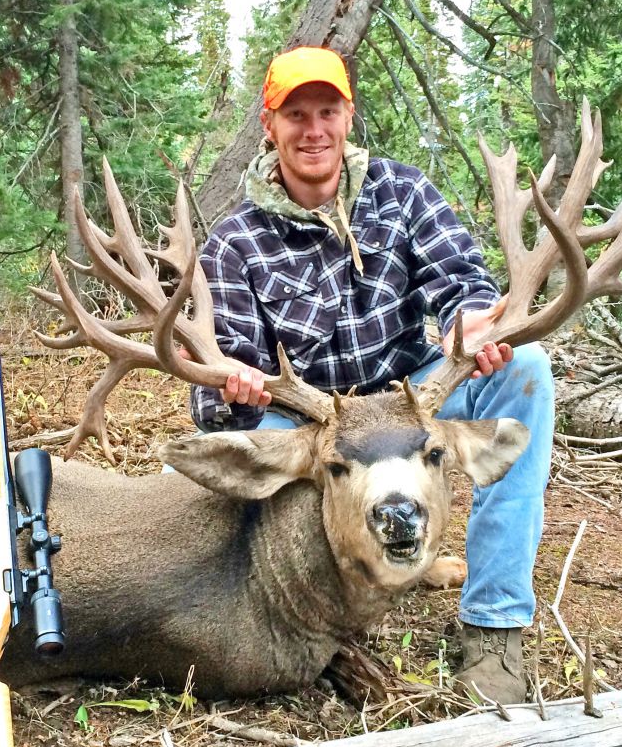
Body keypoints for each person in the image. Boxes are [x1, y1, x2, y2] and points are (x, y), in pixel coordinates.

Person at [191, 45, 554, 705]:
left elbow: (462, 280)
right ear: (268, 126)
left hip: (408, 406)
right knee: (206, 476)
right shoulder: (233, 241)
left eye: (326, 110)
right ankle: (310, 603)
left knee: (524, 368)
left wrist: (469, 321)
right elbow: (218, 376)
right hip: (313, 424)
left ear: (348, 116)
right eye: (294, 114)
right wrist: (232, 393)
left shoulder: (402, 192)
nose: (313, 129)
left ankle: (495, 625)